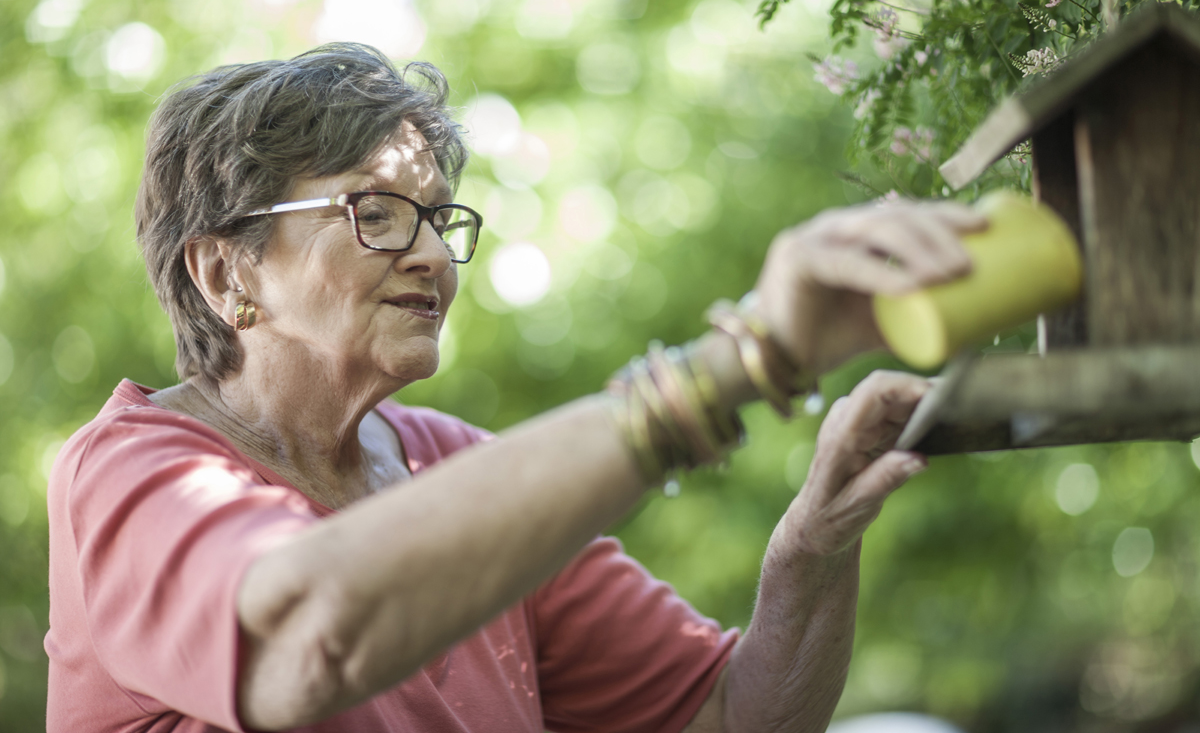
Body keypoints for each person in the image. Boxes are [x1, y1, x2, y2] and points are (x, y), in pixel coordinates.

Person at [45, 43, 985, 733]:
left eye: (438, 219)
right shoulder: (134, 474)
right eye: (374, 213)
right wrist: (742, 364)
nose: (429, 255)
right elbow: (308, 637)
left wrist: (812, 548)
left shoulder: (453, 464)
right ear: (224, 275)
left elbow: (737, 716)